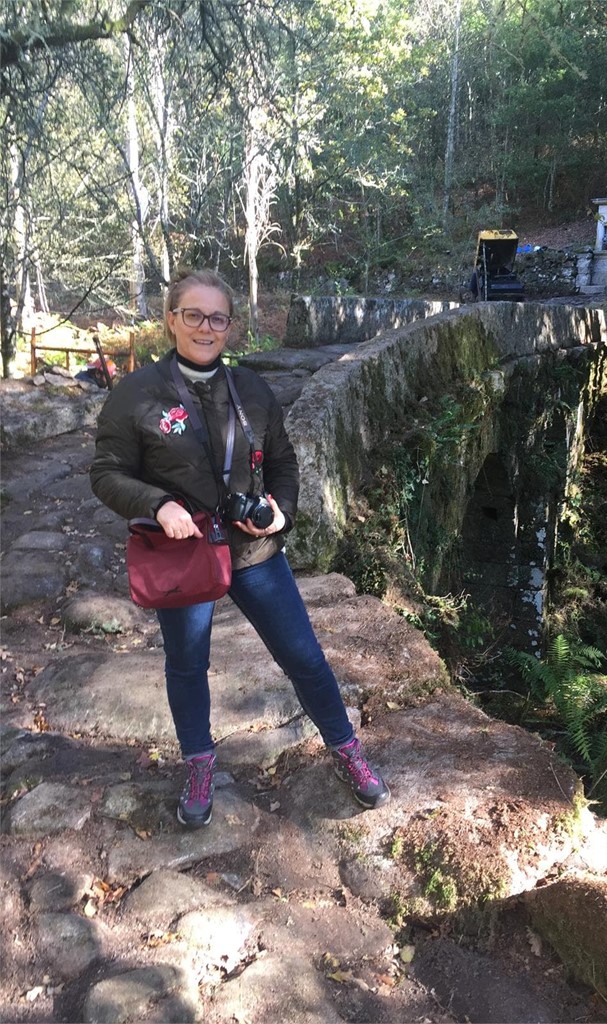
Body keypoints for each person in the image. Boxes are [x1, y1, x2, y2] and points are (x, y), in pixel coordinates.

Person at [90, 268, 390, 828]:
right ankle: (200, 764)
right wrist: (157, 504)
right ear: (171, 319)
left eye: (218, 317)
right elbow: (106, 473)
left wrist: (281, 508)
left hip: (254, 551)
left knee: (303, 656)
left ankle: (346, 749)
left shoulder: (250, 387)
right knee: (187, 664)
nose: (207, 327)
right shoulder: (136, 394)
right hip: (183, 554)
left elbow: (282, 462)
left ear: (231, 324)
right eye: (194, 315)